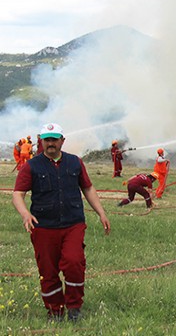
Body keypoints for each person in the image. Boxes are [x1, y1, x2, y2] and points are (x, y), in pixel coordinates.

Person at [12, 122, 111, 322]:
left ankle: (74, 308)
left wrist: (101, 212)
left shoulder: (75, 162)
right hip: (43, 227)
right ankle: (55, 311)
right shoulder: (31, 166)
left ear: (62, 141)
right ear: (41, 141)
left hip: (73, 224)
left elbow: (88, 188)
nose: (51, 143)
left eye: (54, 140)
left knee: (74, 263)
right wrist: (25, 214)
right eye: (47, 140)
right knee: (48, 271)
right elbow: (18, 194)